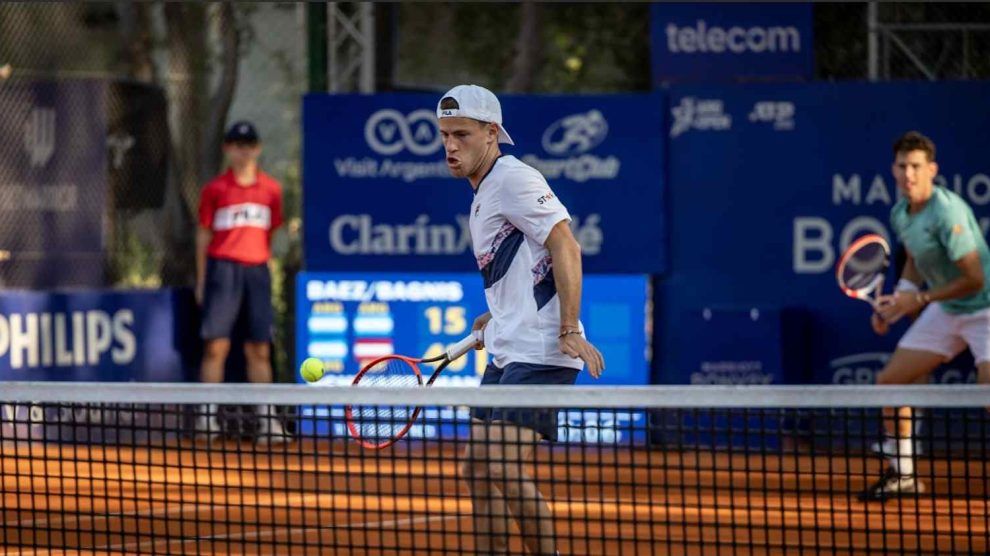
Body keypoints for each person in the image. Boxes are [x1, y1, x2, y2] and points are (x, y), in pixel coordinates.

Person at [437, 84, 605, 554]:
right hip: (510, 348)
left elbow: (565, 244)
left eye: (462, 135)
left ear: (492, 133)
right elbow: (527, 266)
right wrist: (498, 313)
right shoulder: (484, 190)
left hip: (543, 349)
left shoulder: (513, 178)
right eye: (445, 135)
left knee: (502, 467)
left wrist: (569, 328)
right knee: (477, 469)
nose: (451, 146)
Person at [859, 131, 990, 501]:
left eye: (916, 166)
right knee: (890, 383)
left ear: (932, 169)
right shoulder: (900, 212)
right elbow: (915, 261)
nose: (909, 174)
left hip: (985, 308)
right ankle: (903, 475)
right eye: (902, 166)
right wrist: (896, 303)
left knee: (988, 395)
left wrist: (919, 300)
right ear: (893, 170)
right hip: (946, 310)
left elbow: (974, 278)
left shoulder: (947, 211)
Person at [194, 120, 288, 445]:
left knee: (259, 348)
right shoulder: (215, 190)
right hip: (222, 271)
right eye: (236, 144)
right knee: (216, 346)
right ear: (227, 149)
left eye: (248, 145)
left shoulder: (272, 190)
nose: (243, 150)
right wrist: (203, 280)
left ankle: (267, 421)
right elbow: (204, 235)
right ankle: (207, 418)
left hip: (257, 272)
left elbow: (271, 232)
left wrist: (265, 266)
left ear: (257, 149)